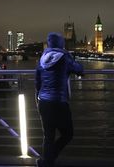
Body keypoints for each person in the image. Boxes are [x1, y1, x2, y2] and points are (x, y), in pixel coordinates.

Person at [35, 32, 83, 167]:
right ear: (61, 43)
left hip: (43, 101)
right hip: (59, 102)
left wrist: (37, 99)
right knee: (68, 134)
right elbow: (79, 69)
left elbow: (37, 82)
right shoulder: (65, 57)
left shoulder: (42, 58)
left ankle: (46, 161)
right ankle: (48, 160)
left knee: (48, 137)